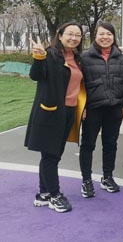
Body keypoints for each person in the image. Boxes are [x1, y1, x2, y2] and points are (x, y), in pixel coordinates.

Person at [25, 22, 86, 213]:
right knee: (51, 155)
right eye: (70, 34)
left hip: (69, 112)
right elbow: (36, 75)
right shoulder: (50, 54)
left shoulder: (77, 58)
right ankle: (54, 195)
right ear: (60, 35)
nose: (74, 38)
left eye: (77, 35)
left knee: (53, 154)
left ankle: (43, 194)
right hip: (51, 112)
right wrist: (38, 57)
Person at [79, 22, 123, 198]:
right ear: (95, 35)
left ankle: (107, 177)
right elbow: (79, 84)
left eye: (109, 34)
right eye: (101, 34)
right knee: (88, 144)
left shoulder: (120, 58)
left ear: (113, 37)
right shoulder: (84, 57)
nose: (105, 37)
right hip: (92, 108)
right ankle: (86, 180)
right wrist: (81, 107)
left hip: (114, 108)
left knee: (110, 144)